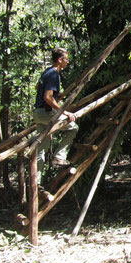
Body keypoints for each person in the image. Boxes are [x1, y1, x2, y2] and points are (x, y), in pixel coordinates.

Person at [33, 48, 78, 183]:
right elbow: (47, 97)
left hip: (38, 113)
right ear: (59, 60)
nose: (67, 62)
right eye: (66, 59)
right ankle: (59, 156)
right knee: (73, 127)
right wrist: (64, 112)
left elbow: (37, 88)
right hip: (46, 112)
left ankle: (37, 182)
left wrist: (57, 95)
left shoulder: (46, 72)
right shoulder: (54, 74)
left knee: (42, 147)